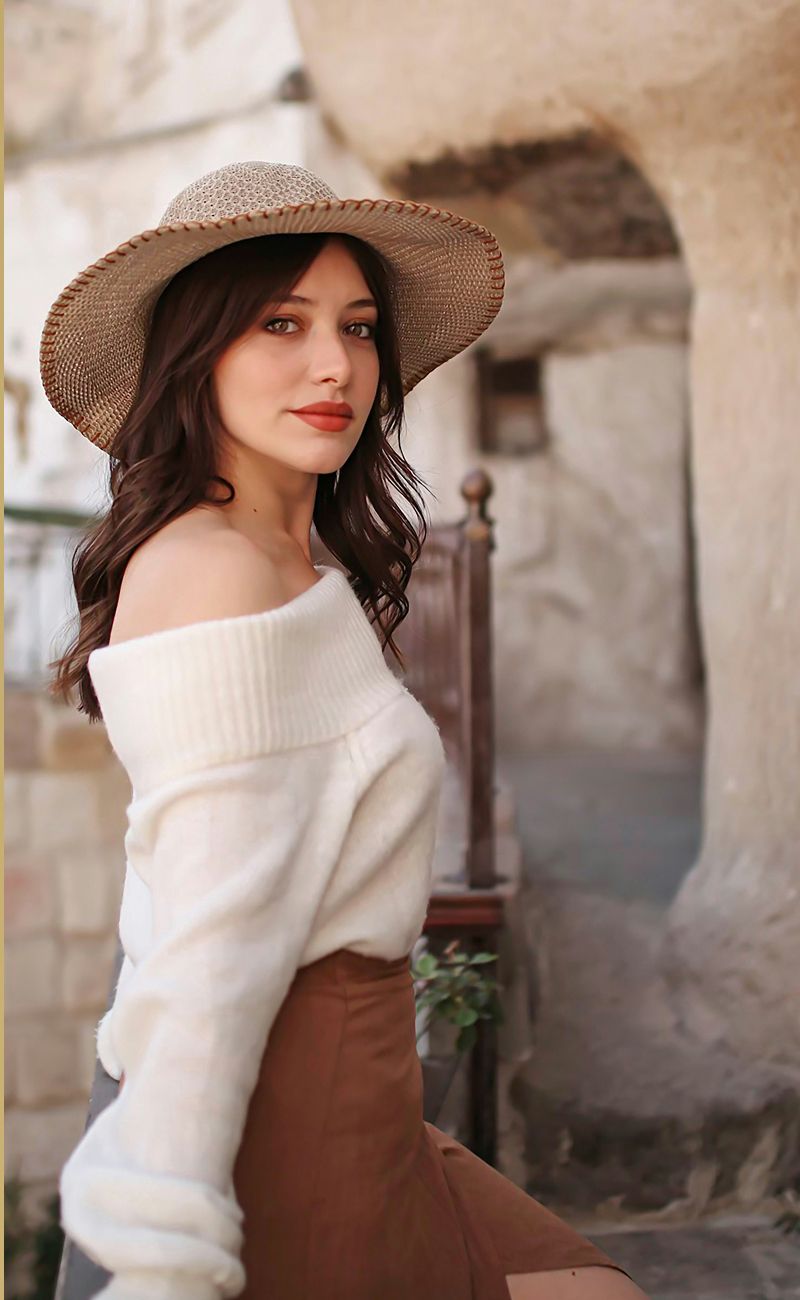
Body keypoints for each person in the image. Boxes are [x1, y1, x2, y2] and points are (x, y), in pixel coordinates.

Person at [42, 161, 648, 1300]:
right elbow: (202, 962)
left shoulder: (289, 555)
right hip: (296, 1129)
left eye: (358, 326)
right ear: (196, 348)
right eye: (282, 322)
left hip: (370, 1103)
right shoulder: (215, 574)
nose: (337, 365)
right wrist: (160, 1259)